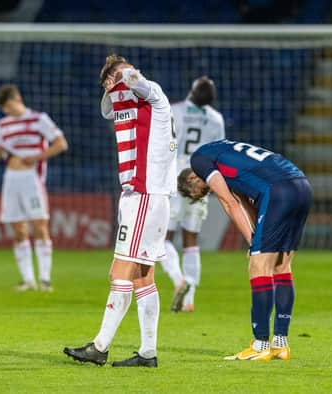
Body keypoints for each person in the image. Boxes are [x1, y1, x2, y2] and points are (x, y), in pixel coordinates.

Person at [63, 54, 176, 368]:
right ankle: (148, 353)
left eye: (111, 83)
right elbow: (107, 108)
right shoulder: (132, 104)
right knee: (143, 276)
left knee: (119, 272)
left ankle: (100, 347)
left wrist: (123, 72)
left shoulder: (151, 93)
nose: (112, 93)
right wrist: (113, 84)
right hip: (146, 196)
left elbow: (137, 82)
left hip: (144, 195)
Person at [177, 139, 311, 361]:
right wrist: (255, 237)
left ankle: (260, 345)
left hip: (276, 191)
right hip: (301, 185)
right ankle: (280, 344)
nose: (206, 193)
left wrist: (254, 243)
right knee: (282, 266)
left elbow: (229, 201)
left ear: (192, 177)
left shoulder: (199, 160)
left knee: (258, 266)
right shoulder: (223, 152)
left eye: (200, 192)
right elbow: (243, 201)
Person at [0, 84, 68, 292]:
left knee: (40, 225)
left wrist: (37, 157)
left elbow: (61, 143)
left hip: (32, 179)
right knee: (17, 228)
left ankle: (45, 279)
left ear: (17, 99)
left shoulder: (39, 119)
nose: (6, 112)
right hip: (11, 178)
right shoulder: (3, 125)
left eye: (8, 106)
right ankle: (28, 280)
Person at [161, 76, 225, 313]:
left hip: (175, 176)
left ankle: (179, 279)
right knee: (191, 240)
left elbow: (165, 143)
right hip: (200, 178)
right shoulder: (216, 119)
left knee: (164, 238)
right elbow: (219, 153)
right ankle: (189, 300)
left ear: (193, 90)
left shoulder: (174, 111)